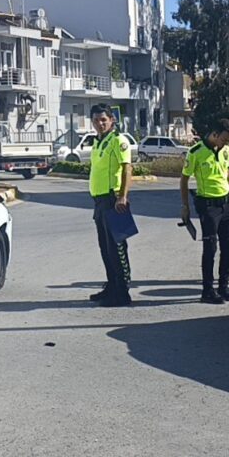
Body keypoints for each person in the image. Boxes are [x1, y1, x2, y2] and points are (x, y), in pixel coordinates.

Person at [182, 118, 229, 305]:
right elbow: (184, 179)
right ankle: (207, 290)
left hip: (225, 204)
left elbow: (226, 169)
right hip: (208, 206)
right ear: (214, 134)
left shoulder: (225, 150)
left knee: (228, 246)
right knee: (210, 248)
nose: (225, 143)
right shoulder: (196, 152)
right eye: (223, 139)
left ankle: (224, 286)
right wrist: (185, 206)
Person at [87, 103, 133, 307]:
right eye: (96, 120)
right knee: (105, 248)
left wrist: (123, 196)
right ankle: (112, 286)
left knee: (117, 248)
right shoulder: (97, 142)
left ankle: (122, 292)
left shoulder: (118, 140)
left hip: (114, 200)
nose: (100, 123)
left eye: (103, 119)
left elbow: (127, 169)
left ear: (112, 120)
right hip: (99, 202)